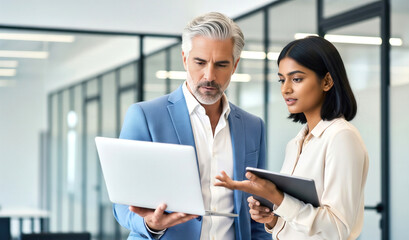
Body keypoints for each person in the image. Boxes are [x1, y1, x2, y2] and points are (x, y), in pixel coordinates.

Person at [114, 12, 271, 240]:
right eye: (200, 62)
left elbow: (257, 212)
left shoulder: (253, 126)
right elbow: (122, 204)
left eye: (221, 64)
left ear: (235, 65)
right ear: (185, 59)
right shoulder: (145, 116)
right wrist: (150, 224)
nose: (209, 75)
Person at [215, 36, 369, 240]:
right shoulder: (296, 143)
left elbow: (338, 229)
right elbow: (298, 227)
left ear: (327, 81)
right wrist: (271, 219)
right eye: (282, 79)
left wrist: (277, 198)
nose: (285, 89)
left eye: (296, 79)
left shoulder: (341, 137)